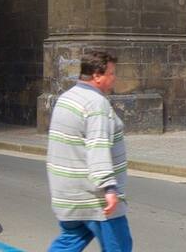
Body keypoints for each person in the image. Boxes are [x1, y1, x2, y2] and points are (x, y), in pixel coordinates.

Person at [46, 50, 132, 252]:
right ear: (97, 75)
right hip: (95, 200)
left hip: (67, 195)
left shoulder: (67, 97)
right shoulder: (96, 104)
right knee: (119, 247)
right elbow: (98, 146)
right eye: (111, 74)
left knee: (69, 242)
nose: (114, 78)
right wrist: (109, 189)